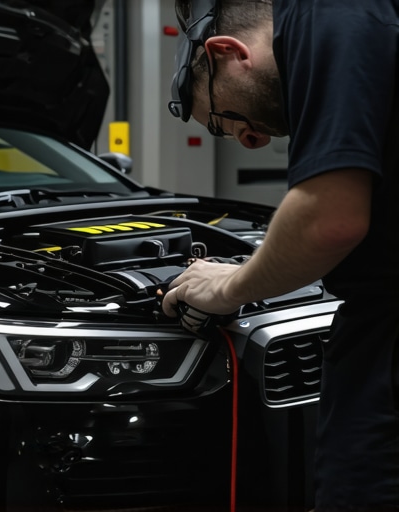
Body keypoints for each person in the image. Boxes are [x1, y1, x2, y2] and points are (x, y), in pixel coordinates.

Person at [163, 0, 399, 511]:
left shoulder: (327, 10)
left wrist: (229, 286)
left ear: (227, 52)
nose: (250, 140)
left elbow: (330, 220)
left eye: (224, 121)